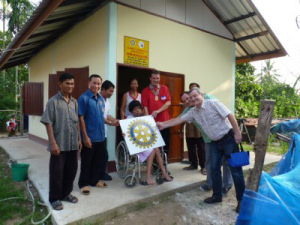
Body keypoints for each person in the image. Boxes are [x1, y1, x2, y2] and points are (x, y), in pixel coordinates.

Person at [157, 87, 245, 212]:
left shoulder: (213, 103)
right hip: (214, 143)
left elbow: (230, 115)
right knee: (213, 170)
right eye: (191, 97)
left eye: (195, 96)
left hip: (228, 139)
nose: (193, 99)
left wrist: (237, 133)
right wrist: (163, 124)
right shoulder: (193, 112)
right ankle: (217, 196)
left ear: (202, 95)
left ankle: (241, 201)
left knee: (236, 171)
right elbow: (179, 119)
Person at [40, 73, 82, 210]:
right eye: (67, 83)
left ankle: (65, 194)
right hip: (59, 144)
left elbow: (77, 123)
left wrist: (79, 139)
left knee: (71, 171)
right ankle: (55, 198)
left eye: (72, 84)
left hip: (72, 144)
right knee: (57, 173)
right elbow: (48, 123)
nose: (70, 86)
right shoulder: (53, 102)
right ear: (60, 84)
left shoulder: (74, 102)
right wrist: (52, 143)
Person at [181, 86, 233, 195]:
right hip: (209, 139)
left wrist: (236, 132)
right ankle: (210, 184)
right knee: (210, 163)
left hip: (224, 136)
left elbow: (227, 114)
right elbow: (178, 119)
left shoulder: (209, 100)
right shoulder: (189, 110)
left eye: (188, 98)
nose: (188, 101)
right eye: (185, 100)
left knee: (226, 161)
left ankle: (226, 185)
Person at [127, 100, 173, 185]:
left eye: (139, 109)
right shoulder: (129, 119)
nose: (137, 111)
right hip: (138, 145)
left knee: (157, 149)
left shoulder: (146, 119)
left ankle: (163, 173)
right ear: (131, 111)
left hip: (146, 143)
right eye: (135, 109)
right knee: (153, 151)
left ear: (141, 109)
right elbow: (128, 133)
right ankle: (149, 177)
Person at [78, 74, 107, 195]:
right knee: (86, 161)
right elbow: (81, 118)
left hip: (101, 136)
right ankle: (84, 183)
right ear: (89, 83)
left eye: (98, 84)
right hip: (89, 137)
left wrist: (113, 122)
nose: (96, 86)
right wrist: (85, 137)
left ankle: (94, 180)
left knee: (98, 161)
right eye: (94, 83)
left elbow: (101, 117)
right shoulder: (83, 98)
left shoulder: (101, 99)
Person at [141, 70, 171, 154]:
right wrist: (148, 121)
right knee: (153, 145)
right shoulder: (145, 91)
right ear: (150, 78)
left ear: (160, 78)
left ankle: (164, 165)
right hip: (153, 123)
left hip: (165, 121)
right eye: (154, 78)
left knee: (165, 144)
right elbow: (145, 107)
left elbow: (168, 102)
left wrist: (158, 111)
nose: (156, 80)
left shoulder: (164, 88)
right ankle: (155, 165)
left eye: (157, 78)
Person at [180, 84, 206, 175]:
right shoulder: (186, 105)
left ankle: (203, 166)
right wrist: (181, 129)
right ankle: (193, 164)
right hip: (189, 130)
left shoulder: (199, 102)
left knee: (201, 149)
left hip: (199, 131)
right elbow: (181, 117)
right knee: (190, 148)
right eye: (190, 88)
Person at [100, 80, 119, 181]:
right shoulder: (97, 99)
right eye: (110, 91)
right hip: (96, 133)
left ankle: (101, 174)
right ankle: (99, 175)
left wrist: (116, 120)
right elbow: (100, 117)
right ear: (103, 89)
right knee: (102, 155)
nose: (111, 94)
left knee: (103, 155)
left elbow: (107, 115)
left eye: (112, 92)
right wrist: (111, 123)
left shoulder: (107, 100)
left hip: (104, 133)